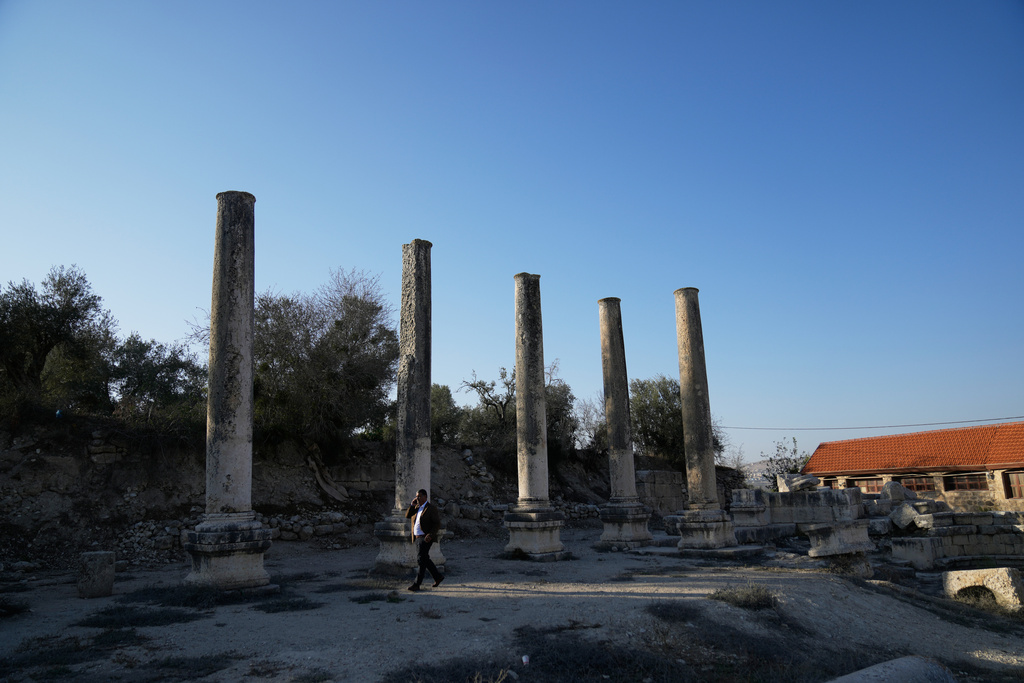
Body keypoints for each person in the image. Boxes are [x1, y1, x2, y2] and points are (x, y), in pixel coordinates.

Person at [406, 488, 444, 591]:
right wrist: (412, 505)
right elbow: (408, 515)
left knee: (420, 559)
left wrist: (430, 535)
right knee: (424, 559)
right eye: (416, 496)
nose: (417, 498)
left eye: (419, 496)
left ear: (425, 497)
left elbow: (437, 523)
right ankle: (438, 577)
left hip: (426, 538)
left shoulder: (431, 508)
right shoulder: (417, 507)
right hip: (417, 537)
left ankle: (417, 584)